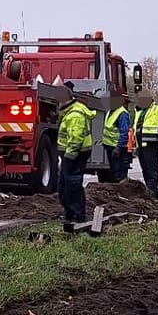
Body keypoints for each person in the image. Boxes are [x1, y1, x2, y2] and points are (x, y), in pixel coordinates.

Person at [56, 83, 97, 232]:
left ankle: (78, 214)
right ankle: (71, 211)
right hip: (73, 153)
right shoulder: (72, 111)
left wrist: (69, 155)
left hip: (75, 154)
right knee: (66, 183)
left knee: (72, 183)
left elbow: (76, 137)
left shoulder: (75, 115)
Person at [132, 90, 158, 199]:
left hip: (151, 143)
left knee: (151, 169)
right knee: (145, 168)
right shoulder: (139, 111)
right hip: (141, 143)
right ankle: (148, 190)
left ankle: (153, 193)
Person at [103, 95, 133, 181]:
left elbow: (124, 133)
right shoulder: (110, 111)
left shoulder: (122, 113)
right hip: (110, 146)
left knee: (118, 174)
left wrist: (119, 147)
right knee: (113, 173)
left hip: (118, 149)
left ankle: (121, 192)